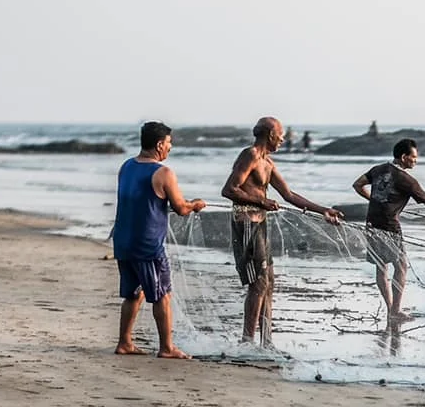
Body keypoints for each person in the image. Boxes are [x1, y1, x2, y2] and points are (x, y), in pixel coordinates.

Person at [221, 116, 342, 345]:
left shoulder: (268, 163)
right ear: (270, 135)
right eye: (282, 135)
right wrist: (262, 202)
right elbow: (229, 190)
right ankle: (247, 343)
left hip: (261, 223)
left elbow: (290, 195)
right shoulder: (250, 155)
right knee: (258, 283)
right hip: (246, 223)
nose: (284, 140)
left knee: (269, 281)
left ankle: (267, 342)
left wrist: (323, 210)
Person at [113, 121, 206, 359]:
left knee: (134, 293)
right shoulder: (163, 173)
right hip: (148, 245)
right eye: (168, 143)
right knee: (162, 293)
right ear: (158, 144)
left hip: (123, 241)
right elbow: (181, 208)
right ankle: (167, 347)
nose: (170, 148)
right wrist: (196, 204)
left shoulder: (126, 166)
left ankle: (125, 342)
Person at [352, 138, 425, 324]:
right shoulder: (406, 180)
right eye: (413, 157)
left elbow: (357, 185)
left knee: (381, 267)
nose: (415, 161)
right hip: (389, 225)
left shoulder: (378, 169)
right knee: (401, 266)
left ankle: (391, 310)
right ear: (404, 157)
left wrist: (374, 200)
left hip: (371, 222)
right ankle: (395, 311)